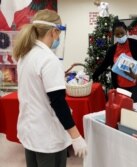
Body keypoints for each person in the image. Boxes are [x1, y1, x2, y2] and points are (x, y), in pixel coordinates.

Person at [13, 9, 87, 167]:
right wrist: (76, 136)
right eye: (59, 33)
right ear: (54, 31)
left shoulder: (25, 55)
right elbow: (58, 102)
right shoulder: (48, 60)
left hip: (30, 132)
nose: (59, 37)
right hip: (47, 136)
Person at [93, 21, 137, 103]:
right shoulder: (112, 50)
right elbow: (104, 65)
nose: (120, 36)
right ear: (114, 34)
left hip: (136, 88)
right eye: (117, 34)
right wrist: (93, 77)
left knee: (135, 113)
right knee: (122, 112)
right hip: (120, 88)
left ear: (126, 31)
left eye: (122, 33)